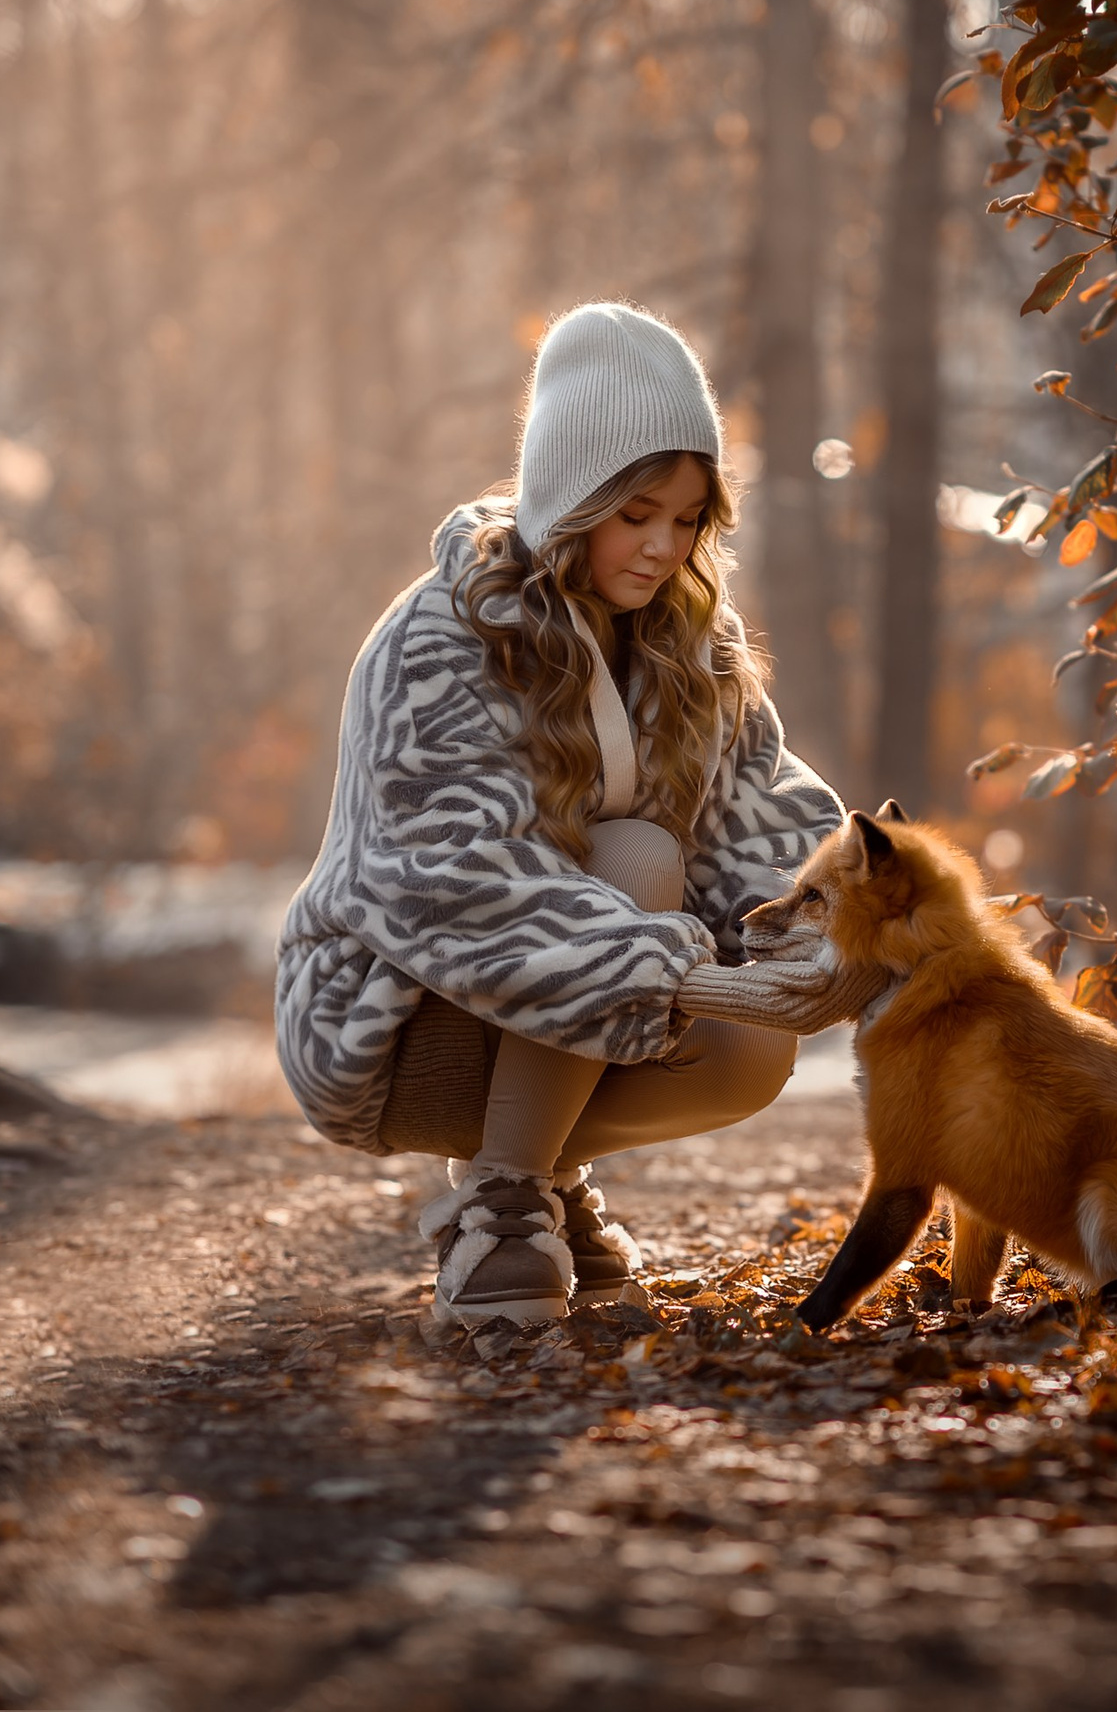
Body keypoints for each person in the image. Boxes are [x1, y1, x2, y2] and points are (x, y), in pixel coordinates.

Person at [275, 303, 878, 1334]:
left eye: (688, 519)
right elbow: (449, 883)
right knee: (639, 856)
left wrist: (861, 945)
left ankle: (541, 1172)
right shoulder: (436, 637)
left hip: (567, 1005)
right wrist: (678, 973)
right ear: (572, 494)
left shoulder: (692, 643)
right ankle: (506, 1205)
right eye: (637, 513)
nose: (664, 547)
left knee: (750, 1050)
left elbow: (768, 826)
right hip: (390, 1020)